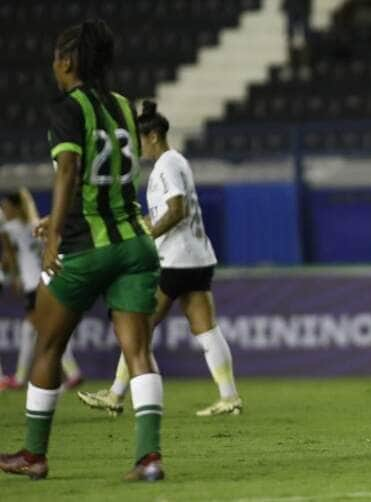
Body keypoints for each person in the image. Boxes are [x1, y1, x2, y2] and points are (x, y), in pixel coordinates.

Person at [0, 19, 164, 481]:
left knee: (48, 345)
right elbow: (111, 176)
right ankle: (149, 458)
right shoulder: (125, 107)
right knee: (138, 353)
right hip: (134, 243)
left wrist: (54, 236)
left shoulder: (68, 108)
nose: (53, 63)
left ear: (68, 61)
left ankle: (34, 455)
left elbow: (70, 170)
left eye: (57, 55)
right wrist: (62, 216)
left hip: (85, 250)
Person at [77, 100, 242, 417]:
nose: (138, 147)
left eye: (139, 139)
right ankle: (229, 397)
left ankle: (114, 394)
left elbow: (176, 209)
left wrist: (149, 233)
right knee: (206, 329)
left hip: (175, 261)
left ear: (152, 135)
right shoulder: (178, 161)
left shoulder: (166, 164)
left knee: (138, 325)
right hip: (199, 257)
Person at [0, 189, 83, 391]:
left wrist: (14, 276)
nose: (4, 211)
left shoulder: (11, 229)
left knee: (43, 332)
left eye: (6, 207)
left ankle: (24, 378)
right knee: (39, 331)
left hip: (32, 286)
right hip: (48, 282)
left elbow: (8, 259)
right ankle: (69, 373)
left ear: (15, 207)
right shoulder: (38, 224)